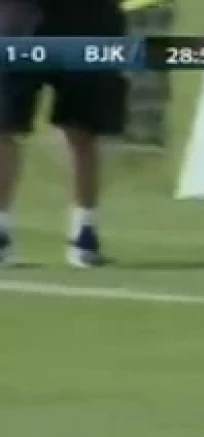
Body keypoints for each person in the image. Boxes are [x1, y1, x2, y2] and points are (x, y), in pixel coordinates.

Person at [0, 0, 127, 268]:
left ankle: (84, 233)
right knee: (4, 127)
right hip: (17, 20)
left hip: (90, 22)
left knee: (85, 130)